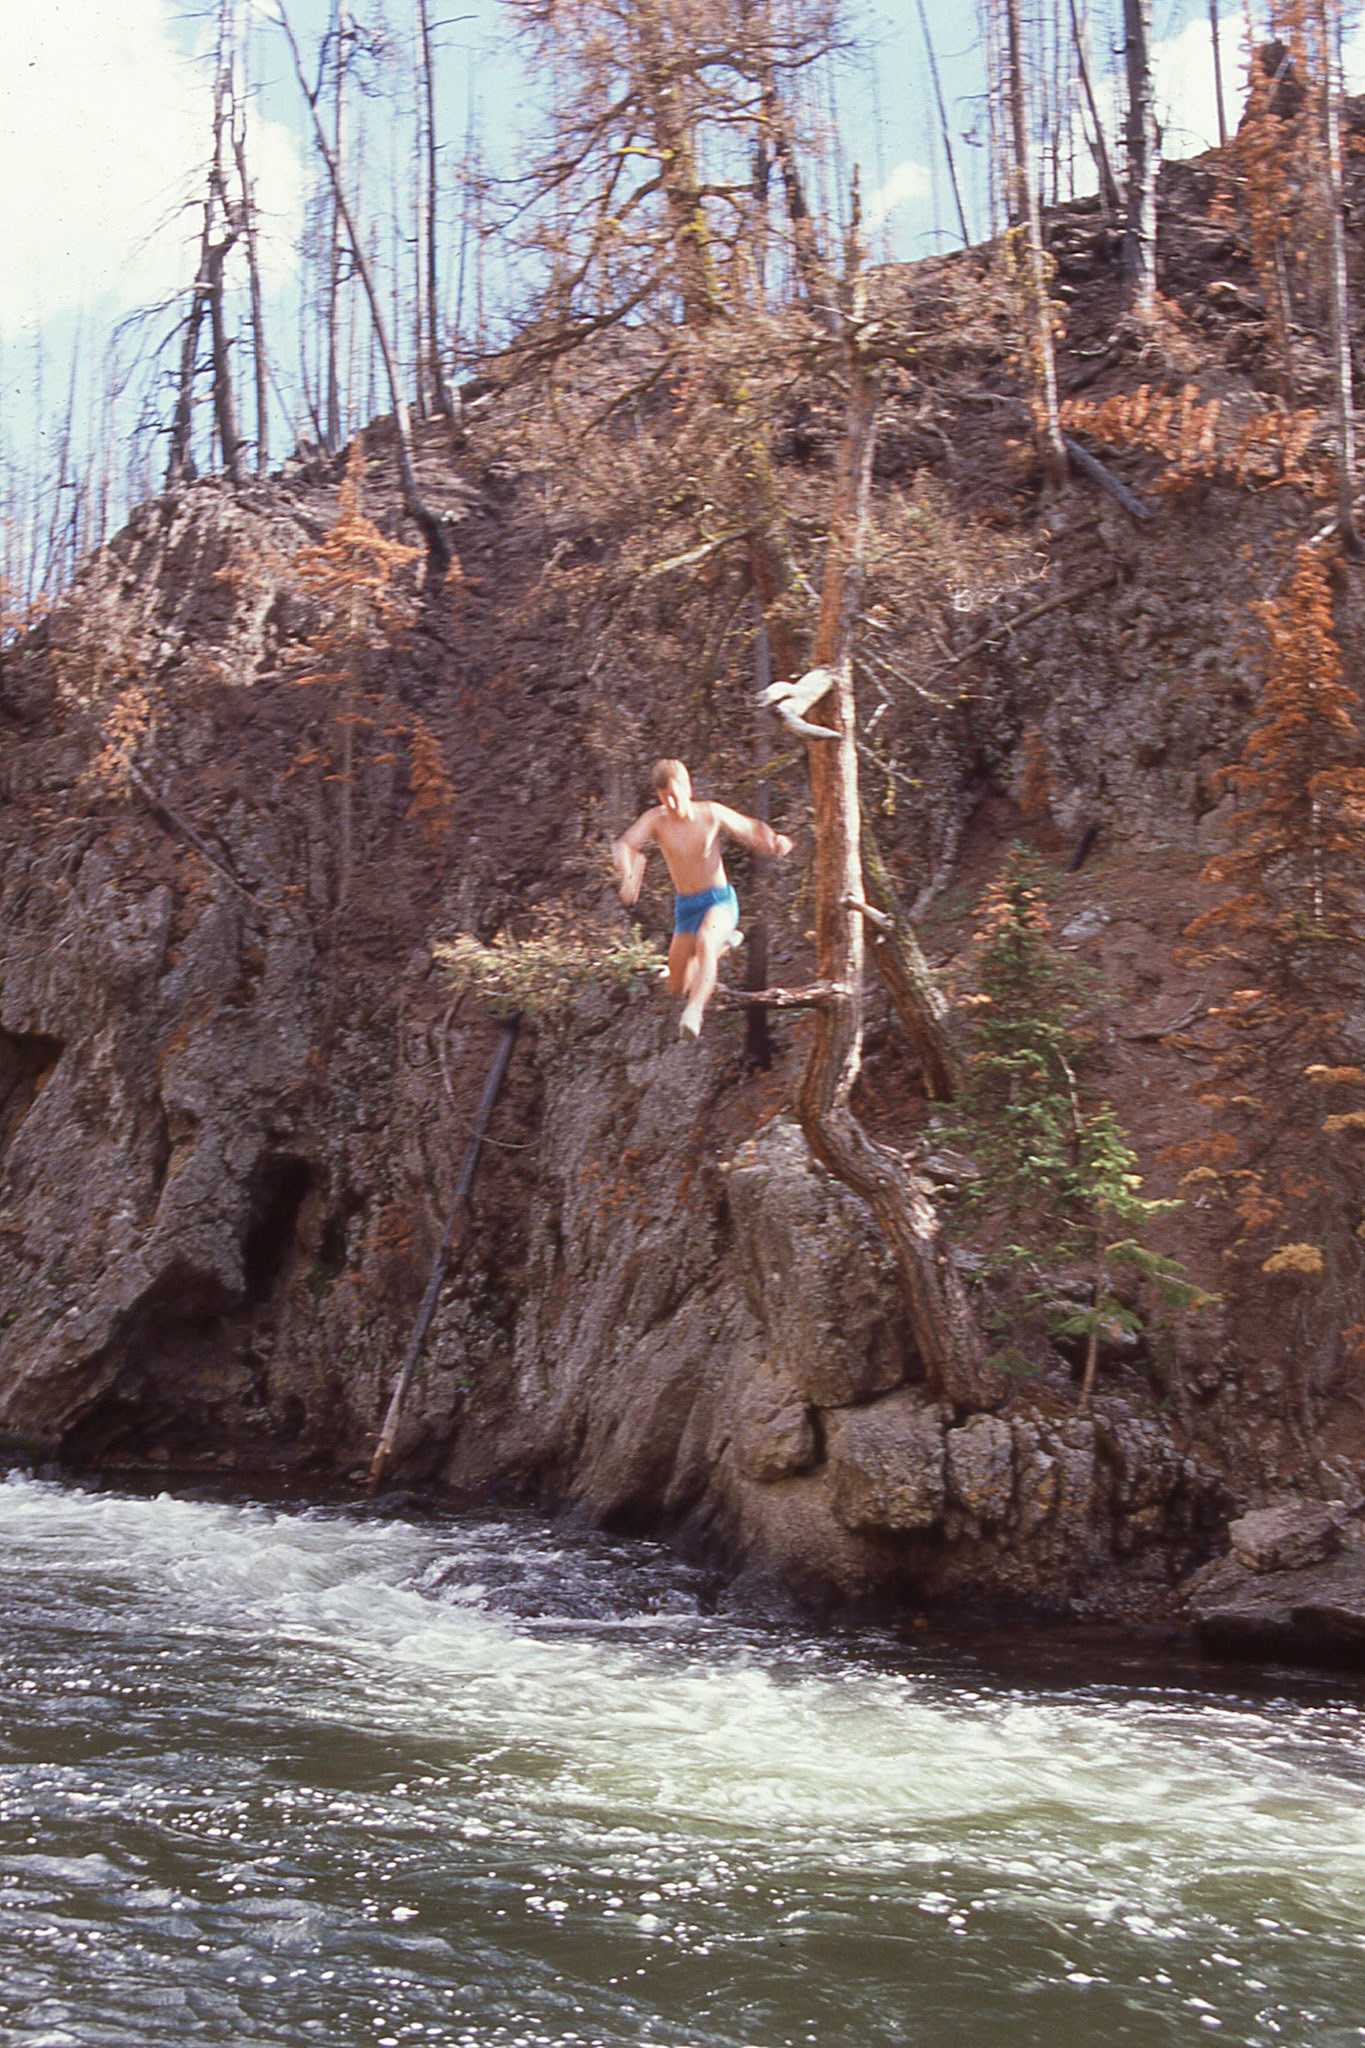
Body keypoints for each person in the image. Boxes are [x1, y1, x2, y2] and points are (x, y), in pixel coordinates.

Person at [612, 758, 793, 1040]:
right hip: (686, 908)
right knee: (677, 985)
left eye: (674, 795)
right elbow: (625, 844)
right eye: (664, 798)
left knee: (705, 941)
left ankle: (694, 1011)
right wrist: (628, 875)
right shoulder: (656, 819)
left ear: (688, 788)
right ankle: (726, 945)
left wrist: (775, 839)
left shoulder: (710, 813)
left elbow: (750, 828)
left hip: (718, 901)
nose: (671, 804)